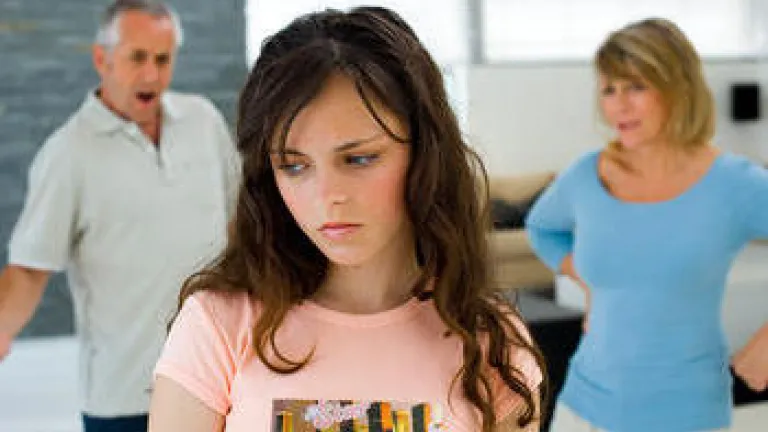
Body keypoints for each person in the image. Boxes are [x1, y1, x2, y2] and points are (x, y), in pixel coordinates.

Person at [148, 6, 545, 432]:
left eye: (358, 158)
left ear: (425, 156)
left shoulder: (491, 344)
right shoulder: (219, 323)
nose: (326, 197)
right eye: (294, 165)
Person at [0, 0, 239, 430]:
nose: (152, 74)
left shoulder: (203, 122)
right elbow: (30, 269)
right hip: (126, 397)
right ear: (101, 58)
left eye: (163, 59)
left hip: (217, 381)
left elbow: (239, 227)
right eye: (138, 58)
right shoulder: (68, 153)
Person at [526, 17, 768, 432]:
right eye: (609, 90)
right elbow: (542, 228)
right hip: (582, 406)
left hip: (687, 412)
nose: (618, 105)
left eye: (636, 86)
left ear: (677, 87)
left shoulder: (734, 184)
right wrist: (583, 275)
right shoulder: (587, 175)